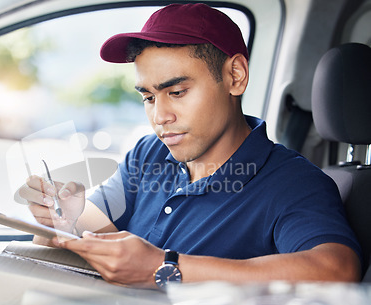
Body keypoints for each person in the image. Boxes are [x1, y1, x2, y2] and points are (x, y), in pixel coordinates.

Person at [20, 3, 362, 289]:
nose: (160, 116)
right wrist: (63, 221)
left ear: (235, 76)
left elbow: (338, 271)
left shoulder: (291, 183)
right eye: (149, 97)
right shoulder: (148, 154)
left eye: (177, 92)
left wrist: (164, 267)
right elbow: (92, 227)